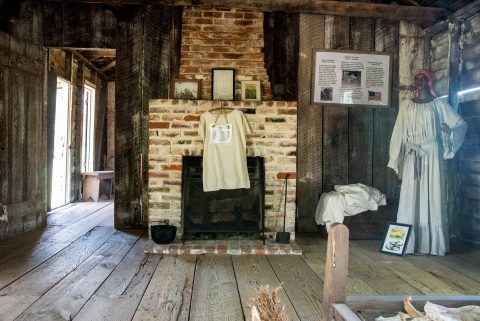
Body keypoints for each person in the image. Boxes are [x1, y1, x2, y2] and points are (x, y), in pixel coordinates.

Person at [388, 69, 467, 256]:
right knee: (410, 196)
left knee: (433, 193)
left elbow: (460, 124)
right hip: (412, 155)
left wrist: (450, 132)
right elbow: (399, 131)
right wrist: (394, 158)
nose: (419, 80)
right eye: (416, 77)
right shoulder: (406, 105)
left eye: (423, 78)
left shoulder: (438, 105)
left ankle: (432, 244)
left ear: (429, 81)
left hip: (432, 155)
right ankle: (405, 243)